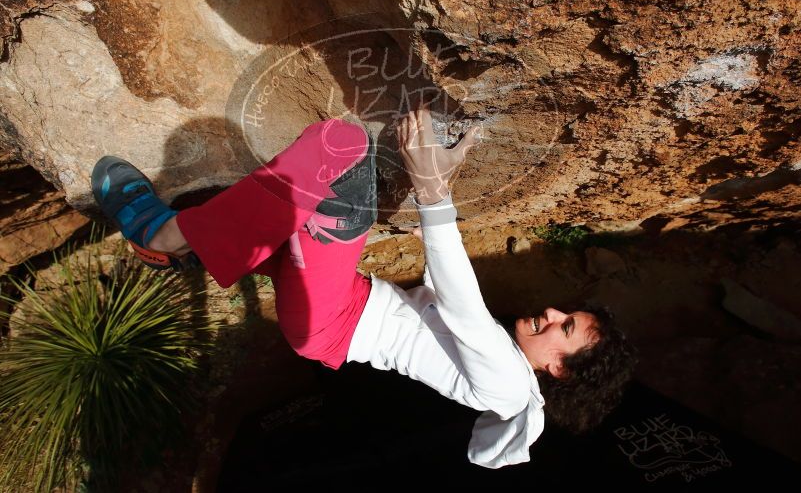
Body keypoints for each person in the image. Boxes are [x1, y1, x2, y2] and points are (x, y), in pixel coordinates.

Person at [90, 106, 637, 469]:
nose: (551, 310)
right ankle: (182, 250)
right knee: (285, 211)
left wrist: (432, 187)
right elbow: (443, 297)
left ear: (561, 368)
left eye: (565, 326)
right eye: (567, 312)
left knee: (344, 147)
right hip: (344, 299)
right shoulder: (503, 365)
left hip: (333, 319)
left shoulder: (512, 389)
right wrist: (442, 178)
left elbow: (462, 306)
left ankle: (161, 233)